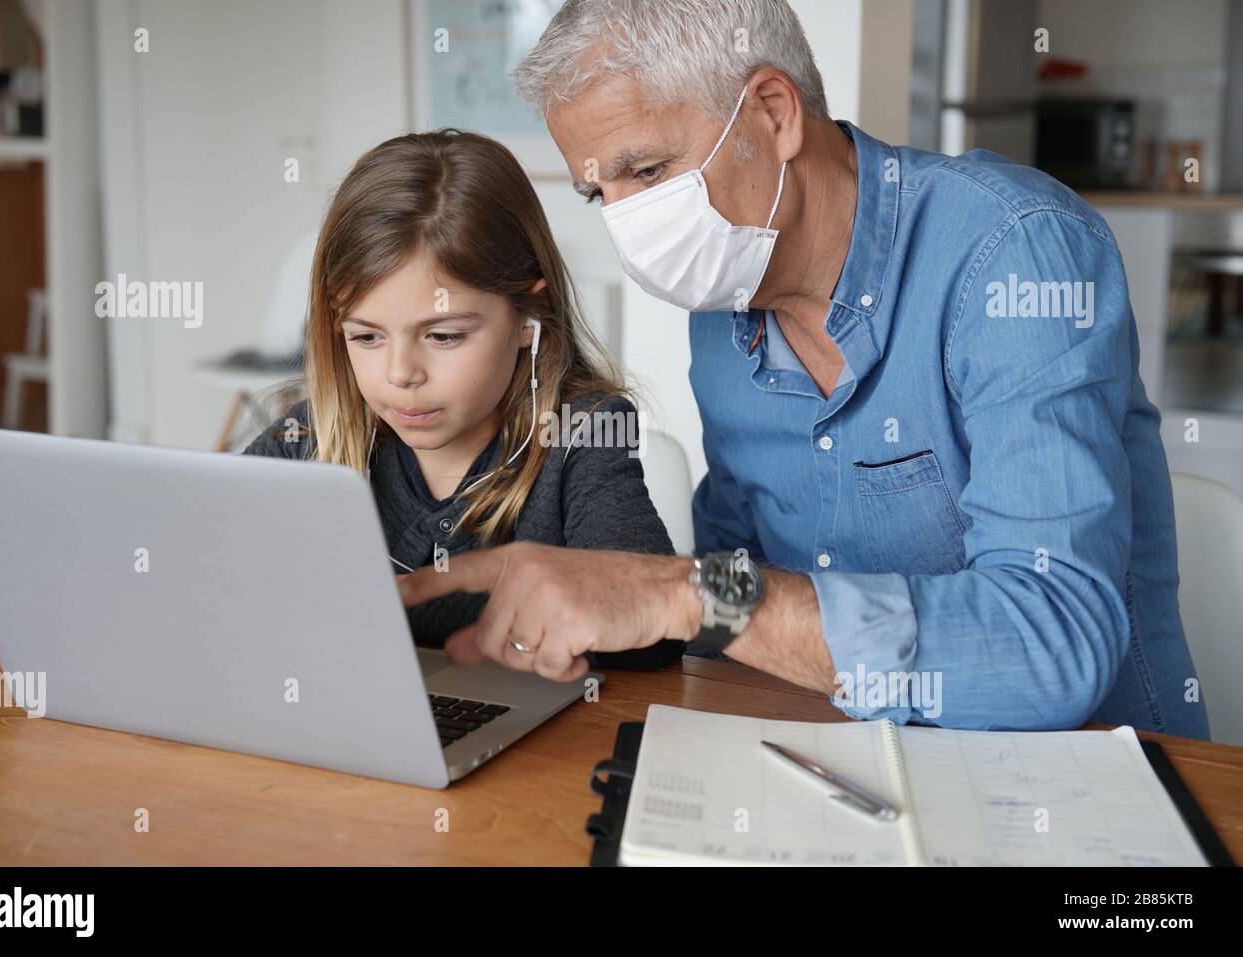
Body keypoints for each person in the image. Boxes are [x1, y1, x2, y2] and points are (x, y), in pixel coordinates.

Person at [399, 0, 1210, 739]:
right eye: (596, 192)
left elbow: (1055, 643)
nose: (625, 221)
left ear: (773, 112)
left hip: (1081, 788)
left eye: (644, 172)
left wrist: (685, 592)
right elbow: (742, 618)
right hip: (835, 773)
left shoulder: (1014, 255)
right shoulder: (721, 318)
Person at [244, 128, 682, 671]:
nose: (401, 373)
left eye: (444, 336)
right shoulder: (307, 442)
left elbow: (652, 636)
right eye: (366, 337)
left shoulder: (584, 433)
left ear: (528, 317)